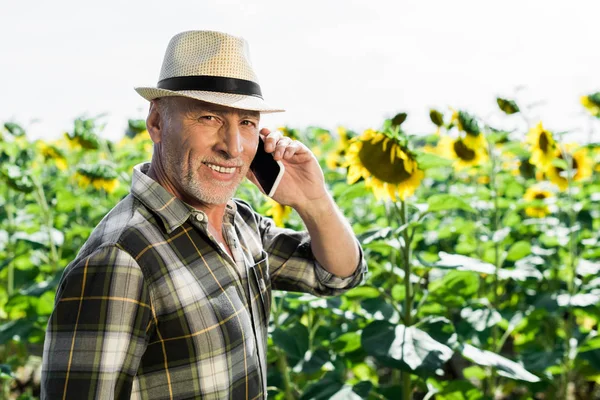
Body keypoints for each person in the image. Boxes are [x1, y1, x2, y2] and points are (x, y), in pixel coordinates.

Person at [41, 30, 366, 399]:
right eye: (209, 117)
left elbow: (337, 275)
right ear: (157, 123)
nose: (232, 148)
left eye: (246, 123)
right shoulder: (120, 259)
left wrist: (314, 201)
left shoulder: (238, 223)